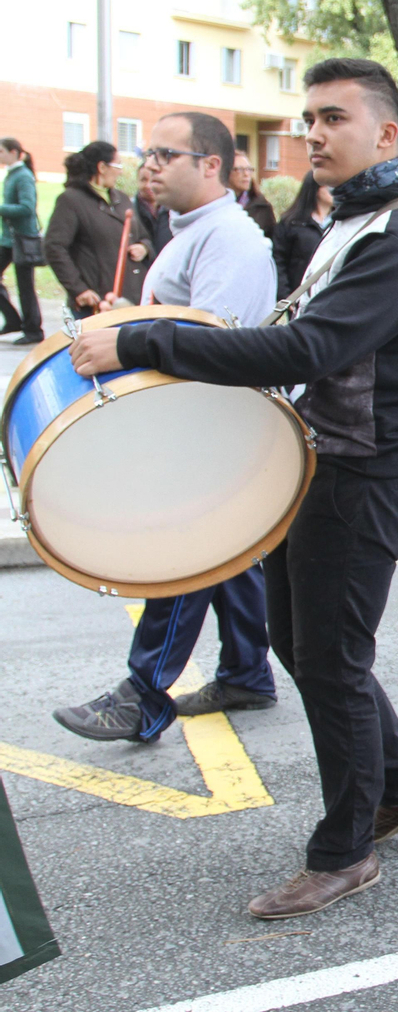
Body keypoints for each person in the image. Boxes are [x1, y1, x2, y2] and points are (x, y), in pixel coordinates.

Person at [69, 58, 398, 919]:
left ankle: (346, 851)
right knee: (300, 642)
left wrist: (146, 343)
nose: (313, 133)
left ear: (385, 134)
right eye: (308, 116)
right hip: (323, 469)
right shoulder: (358, 223)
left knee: (333, 661)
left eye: (333, 118)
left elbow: (303, 352)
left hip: (365, 483)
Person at [50, 113, 278, 746]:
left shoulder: (230, 237)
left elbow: (216, 343)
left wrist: (126, 342)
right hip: (200, 424)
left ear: (210, 165)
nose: (147, 163)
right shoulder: (190, 231)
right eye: (146, 152)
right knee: (227, 553)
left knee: (190, 551)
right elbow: (184, 318)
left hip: (213, 426)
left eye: (163, 153)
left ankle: (144, 693)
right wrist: (133, 316)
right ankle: (247, 673)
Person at [43, 140, 152, 315]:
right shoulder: (71, 200)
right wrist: (78, 289)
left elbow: (143, 236)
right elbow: (54, 247)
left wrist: (144, 247)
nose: (120, 171)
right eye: (117, 165)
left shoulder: (122, 199)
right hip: (96, 303)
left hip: (130, 300)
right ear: (102, 167)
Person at [0, 138, 41, 344]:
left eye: (1, 151)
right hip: (8, 239)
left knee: (25, 286)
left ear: (14, 152)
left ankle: (33, 330)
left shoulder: (23, 176)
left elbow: (27, 208)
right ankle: (12, 320)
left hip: (22, 239)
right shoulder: (12, 175)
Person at [272, 170, 334, 301]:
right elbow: (278, 261)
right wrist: (286, 297)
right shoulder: (292, 223)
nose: (334, 190)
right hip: (299, 299)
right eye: (329, 186)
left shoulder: (339, 222)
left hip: (330, 297)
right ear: (315, 188)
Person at [230, 151, 276, 238]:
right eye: (239, 170)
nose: (246, 174)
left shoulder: (263, 207)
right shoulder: (215, 204)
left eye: (249, 169)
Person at [135, 158, 173, 257]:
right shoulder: (129, 211)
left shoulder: (174, 211)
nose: (148, 185)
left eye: (153, 179)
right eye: (143, 180)